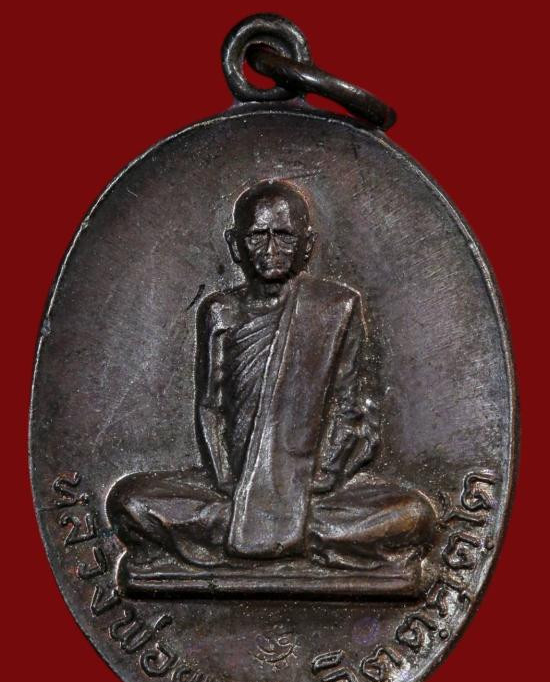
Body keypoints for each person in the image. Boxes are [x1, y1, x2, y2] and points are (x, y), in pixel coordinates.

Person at [107, 180, 435, 575]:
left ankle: (262, 533)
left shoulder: (334, 308)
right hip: (233, 488)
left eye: (284, 236)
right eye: (257, 237)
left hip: (310, 489)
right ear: (235, 245)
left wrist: (324, 475)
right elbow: (210, 407)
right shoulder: (221, 311)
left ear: (307, 245)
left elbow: (355, 408)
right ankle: (288, 536)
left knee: (413, 516)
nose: (270, 249)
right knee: (130, 501)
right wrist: (228, 481)